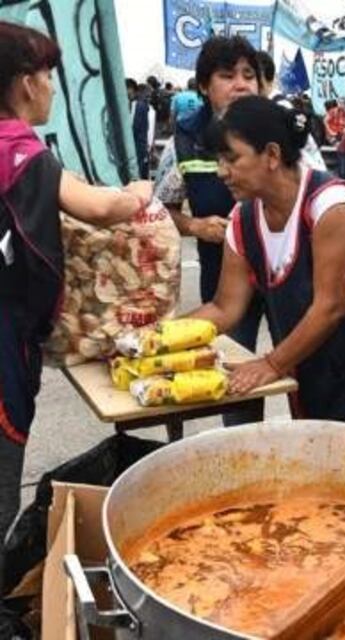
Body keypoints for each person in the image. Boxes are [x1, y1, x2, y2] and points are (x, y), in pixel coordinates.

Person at [0, 21, 151, 544]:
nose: (53, 88)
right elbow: (102, 207)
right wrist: (139, 191)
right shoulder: (17, 153)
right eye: (49, 75)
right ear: (25, 83)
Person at [191, 96, 345, 423]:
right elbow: (224, 307)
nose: (222, 172)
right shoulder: (243, 219)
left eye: (231, 159)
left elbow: (330, 307)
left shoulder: (330, 206)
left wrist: (272, 364)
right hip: (309, 355)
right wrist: (155, 338)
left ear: (272, 155)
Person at [153, 36, 267, 426]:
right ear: (204, 85)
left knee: (302, 374)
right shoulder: (184, 141)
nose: (241, 84)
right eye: (227, 75)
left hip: (286, 279)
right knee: (234, 383)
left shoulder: (281, 130)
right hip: (224, 282)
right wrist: (196, 226)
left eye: (249, 75)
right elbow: (159, 211)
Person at [126, 79, 156, 180]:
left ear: (134, 91)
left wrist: (146, 150)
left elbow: (146, 130)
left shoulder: (142, 107)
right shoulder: (119, 108)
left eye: (129, 91)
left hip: (139, 149)